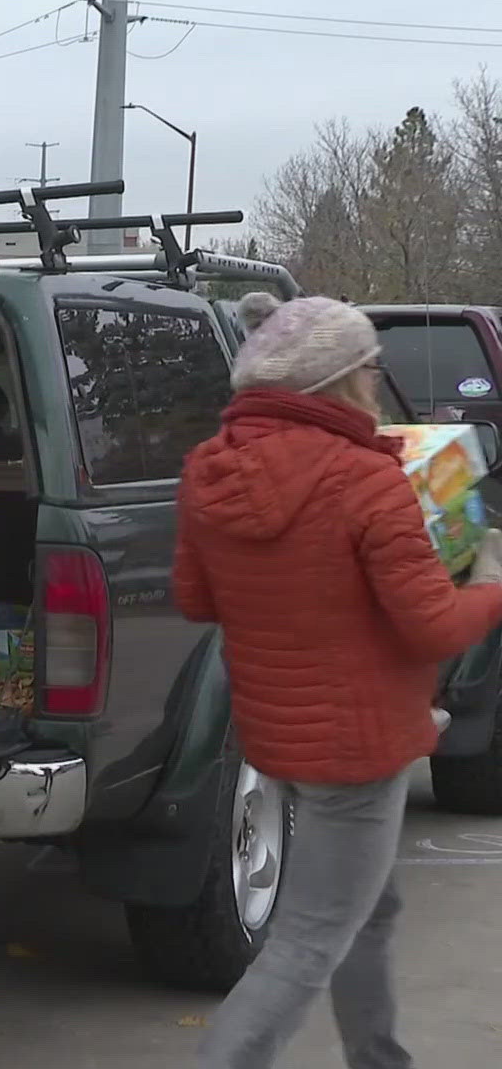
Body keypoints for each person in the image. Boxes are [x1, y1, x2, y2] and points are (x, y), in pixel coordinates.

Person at [174, 292, 502, 1069]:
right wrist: (490, 584)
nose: (376, 380)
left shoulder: (208, 472)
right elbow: (432, 626)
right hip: (360, 745)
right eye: (370, 368)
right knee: (307, 941)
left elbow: (196, 598)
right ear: (342, 381)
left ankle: (378, 1055)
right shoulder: (367, 481)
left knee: (367, 906)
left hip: (278, 737)